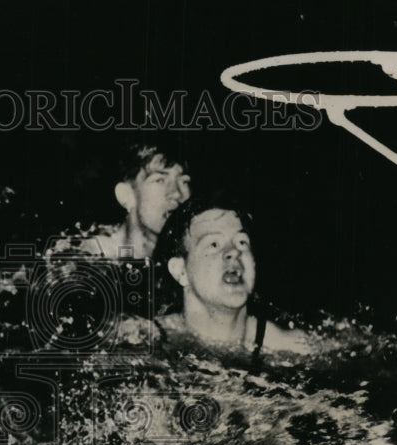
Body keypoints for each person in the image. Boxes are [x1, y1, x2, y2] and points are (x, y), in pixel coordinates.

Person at [148, 193, 312, 356]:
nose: (233, 251)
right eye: (214, 244)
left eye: (242, 242)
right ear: (181, 271)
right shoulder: (146, 340)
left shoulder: (291, 348)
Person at [52, 141, 192, 260]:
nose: (176, 193)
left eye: (184, 182)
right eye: (159, 180)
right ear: (126, 195)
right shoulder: (86, 257)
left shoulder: (189, 257)